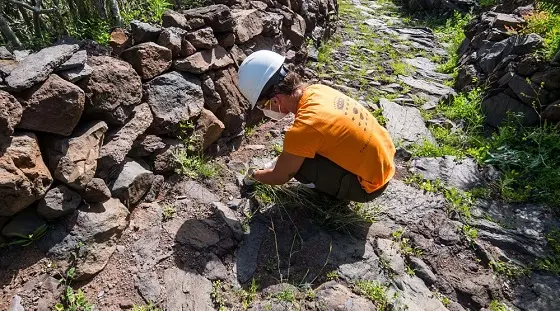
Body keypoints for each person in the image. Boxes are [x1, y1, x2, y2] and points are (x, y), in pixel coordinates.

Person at [236, 50, 396, 203]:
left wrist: (254, 175)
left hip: (370, 186)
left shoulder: (304, 127)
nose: (264, 109)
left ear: (275, 100)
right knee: (302, 152)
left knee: (301, 167)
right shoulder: (317, 90)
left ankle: (338, 194)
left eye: (262, 105)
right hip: (385, 161)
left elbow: (279, 177)